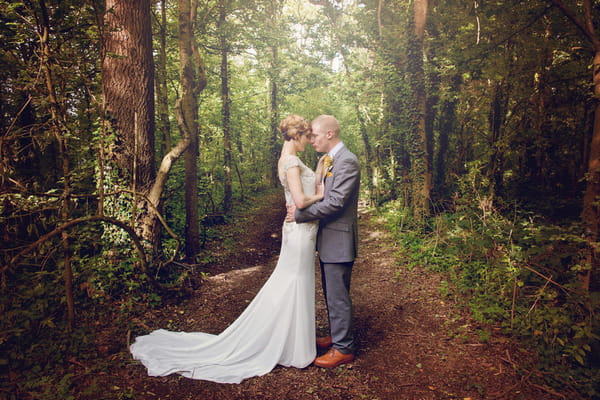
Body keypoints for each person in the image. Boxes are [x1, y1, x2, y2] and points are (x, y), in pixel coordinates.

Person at [130, 114, 323, 384]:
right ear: (296, 136)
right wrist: (322, 193)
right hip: (300, 231)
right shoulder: (291, 162)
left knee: (294, 281)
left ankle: (296, 339)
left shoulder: (288, 159)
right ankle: (289, 343)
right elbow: (301, 201)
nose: (309, 141)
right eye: (306, 136)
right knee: (294, 281)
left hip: (301, 230)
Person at [287, 114, 360, 369]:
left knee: (338, 296)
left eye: (315, 135)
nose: (311, 139)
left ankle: (344, 348)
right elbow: (322, 195)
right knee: (331, 293)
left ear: (330, 134)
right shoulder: (330, 160)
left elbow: (336, 202)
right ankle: (337, 337)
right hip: (328, 239)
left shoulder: (347, 161)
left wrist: (300, 215)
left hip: (339, 240)